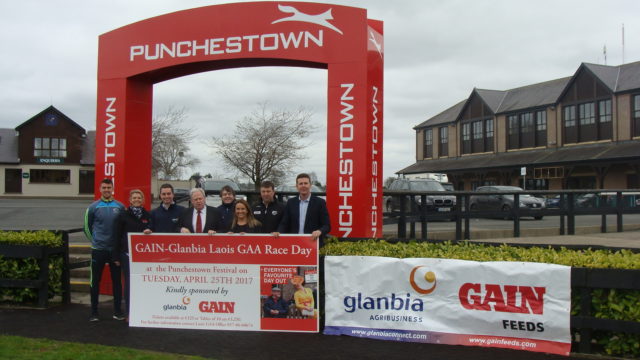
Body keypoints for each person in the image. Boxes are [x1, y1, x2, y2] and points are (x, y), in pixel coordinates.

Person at [83, 178, 125, 322]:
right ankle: (94, 312)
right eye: (104, 188)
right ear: (100, 189)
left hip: (114, 251)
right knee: (95, 281)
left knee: (117, 281)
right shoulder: (93, 207)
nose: (107, 190)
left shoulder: (120, 206)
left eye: (109, 187)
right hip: (98, 250)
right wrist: (95, 241)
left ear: (112, 189)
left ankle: (118, 311)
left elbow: (123, 228)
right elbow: (87, 228)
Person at [115, 189, 152, 319]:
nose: (137, 200)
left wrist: (149, 231)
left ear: (143, 200)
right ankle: (129, 312)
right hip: (127, 255)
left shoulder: (148, 215)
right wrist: (116, 256)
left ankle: (143, 310)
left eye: (139, 197)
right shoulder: (123, 215)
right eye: (134, 198)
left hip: (143, 257)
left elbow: (153, 231)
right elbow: (117, 236)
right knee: (129, 284)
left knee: (143, 282)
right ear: (130, 200)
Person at [276, 173, 331, 242]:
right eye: (301, 184)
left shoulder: (320, 203)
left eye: (305, 183)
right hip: (294, 242)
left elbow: (327, 226)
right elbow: (284, 223)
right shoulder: (290, 202)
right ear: (297, 186)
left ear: (310, 185)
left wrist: (320, 231)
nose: (303, 186)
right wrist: (279, 232)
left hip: (312, 243)